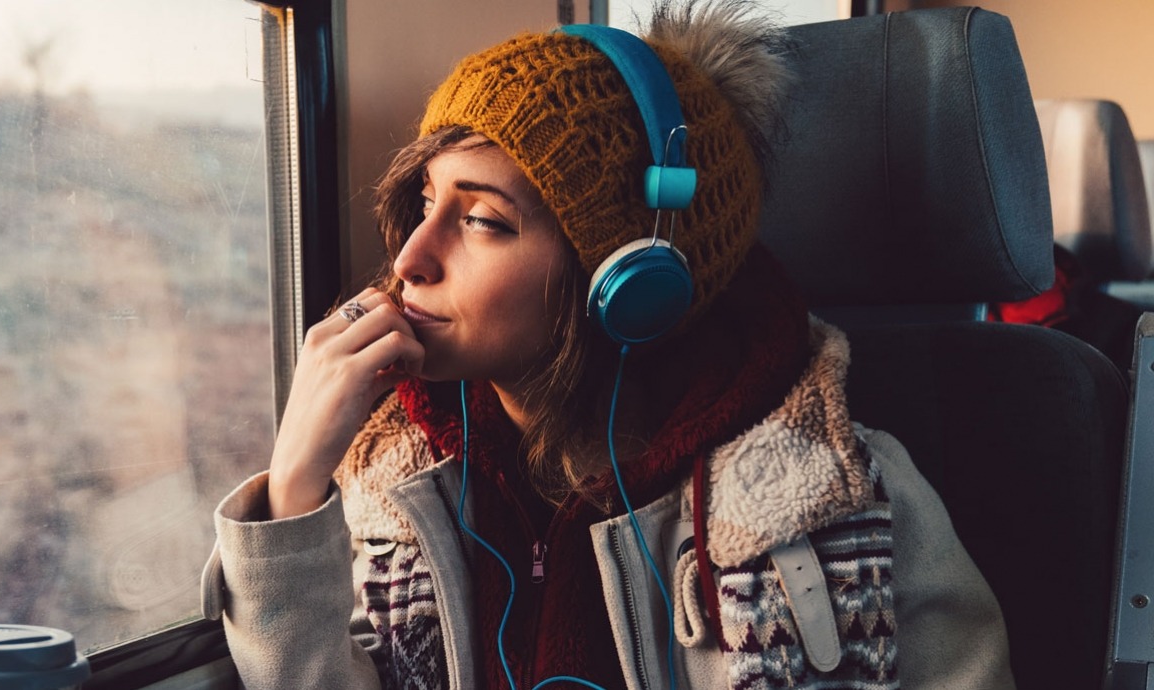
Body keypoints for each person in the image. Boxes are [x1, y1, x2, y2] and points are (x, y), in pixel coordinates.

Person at [199, 2, 1015, 688]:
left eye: (481, 220)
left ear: (631, 279)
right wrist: (297, 488)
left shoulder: (841, 495)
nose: (410, 259)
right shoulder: (392, 487)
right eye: (424, 201)